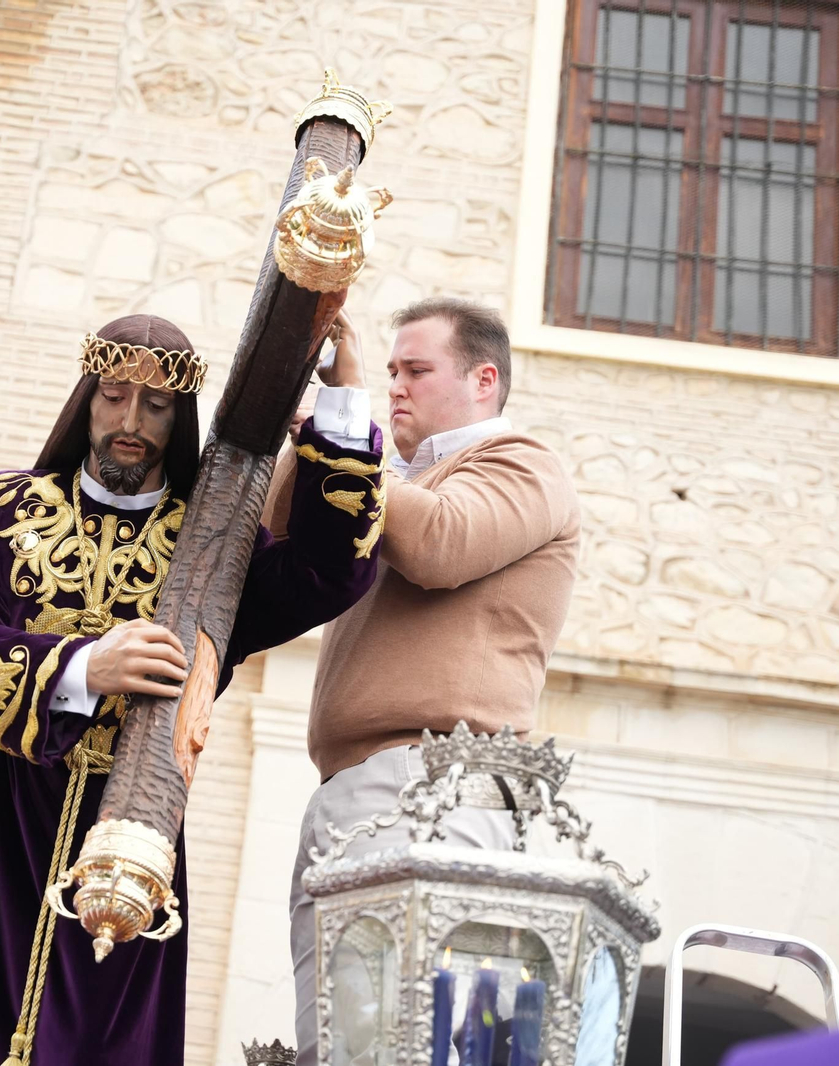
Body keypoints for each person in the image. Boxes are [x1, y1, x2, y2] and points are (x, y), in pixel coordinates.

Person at [0, 313, 384, 1066]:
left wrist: (344, 403)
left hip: (137, 818)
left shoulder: (216, 548)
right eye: (112, 397)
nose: (130, 422)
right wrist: (81, 668)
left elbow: (328, 571)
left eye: (156, 405)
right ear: (86, 401)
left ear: (181, 418)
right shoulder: (0, 509)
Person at [267, 297, 581, 1066]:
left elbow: (441, 544)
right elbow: (277, 536)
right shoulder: (394, 478)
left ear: (483, 379)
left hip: (434, 782)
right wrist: (323, 429)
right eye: (391, 372)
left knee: (395, 1045)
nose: (396, 387)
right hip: (357, 792)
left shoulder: (521, 462)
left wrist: (348, 422)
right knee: (337, 1049)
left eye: (416, 370)